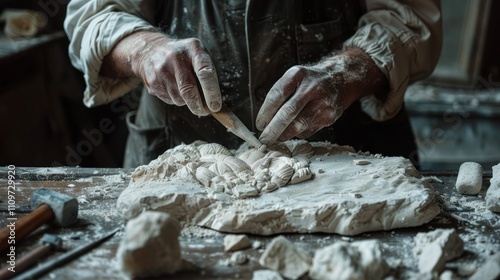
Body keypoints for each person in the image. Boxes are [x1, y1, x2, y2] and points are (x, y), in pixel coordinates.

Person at [64, 0, 442, 168]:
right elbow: (93, 16)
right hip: (176, 152)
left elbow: (409, 18)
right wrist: (144, 50)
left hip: (347, 158)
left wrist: (347, 72)